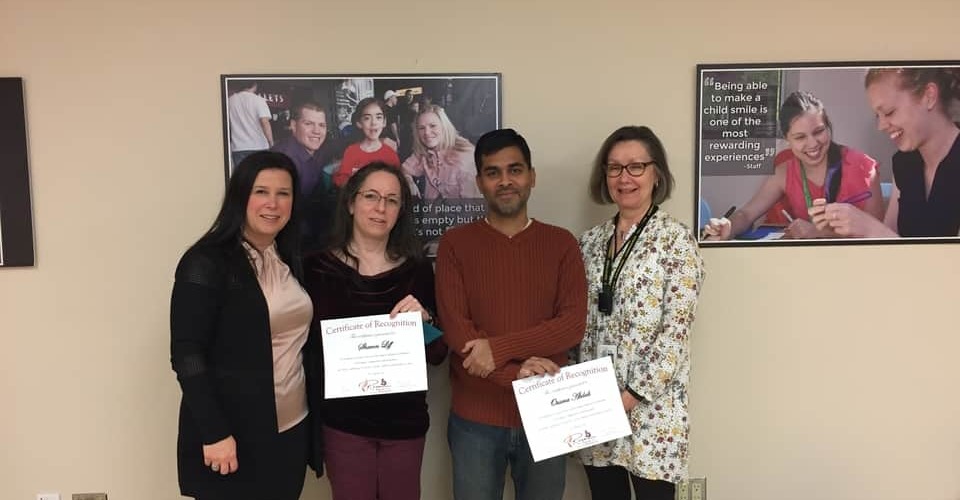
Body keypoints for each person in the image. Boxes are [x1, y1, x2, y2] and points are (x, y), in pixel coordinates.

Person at [435, 128, 588, 500]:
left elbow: (572, 325)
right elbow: (459, 335)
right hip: (476, 418)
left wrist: (498, 348)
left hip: (548, 413)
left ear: (531, 177)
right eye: (493, 172)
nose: (505, 181)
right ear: (480, 182)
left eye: (515, 170)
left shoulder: (561, 243)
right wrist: (516, 372)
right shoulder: (455, 245)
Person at [170, 151, 321, 500]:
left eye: (283, 193)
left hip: (291, 428)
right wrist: (214, 433)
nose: (273, 203)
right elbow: (187, 354)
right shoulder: (206, 261)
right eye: (261, 191)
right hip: (232, 434)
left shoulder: (289, 259)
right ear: (241, 196)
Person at [570, 125, 704, 500]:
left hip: (652, 416)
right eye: (614, 168)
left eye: (635, 167)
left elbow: (674, 334)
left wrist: (626, 399)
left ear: (656, 173)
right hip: (596, 409)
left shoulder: (676, 241)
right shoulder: (588, 243)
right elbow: (575, 322)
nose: (624, 178)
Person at [303, 162, 447, 500]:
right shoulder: (315, 269)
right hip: (343, 424)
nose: (380, 208)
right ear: (351, 203)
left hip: (404, 424)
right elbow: (302, 350)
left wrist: (425, 323)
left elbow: (439, 354)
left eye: (392, 200)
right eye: (371, 196)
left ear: (400, 210)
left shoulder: (418, 270)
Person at [702, 91, 883, 240]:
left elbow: (879, 235)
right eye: (800, 137)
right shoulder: (785, 171)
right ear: (787, 139)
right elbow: (747, 214)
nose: (812, 144)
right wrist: (728, 227)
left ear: (828, 128)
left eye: (818, 131)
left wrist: (820, 232)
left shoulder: (864, 168)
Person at [810, 67, 960, 238]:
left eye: (889, 112)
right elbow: (889, 240)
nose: (881, 126)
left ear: (929, 96)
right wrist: (838, 232)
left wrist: (869, 228)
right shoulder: (904, 163)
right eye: (878, 116)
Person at [401, 104, 482, 200]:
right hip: (431, 213)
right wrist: (409, 182)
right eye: (422, 128)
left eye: (432, 126)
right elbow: (404, 169)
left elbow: (472, 209)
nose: (426, 132)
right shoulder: (425, 152)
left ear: (444, 127)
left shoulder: (465, 157)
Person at [271, 101, 337, 197]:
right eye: (308, 124)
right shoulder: (282, 159)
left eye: (322, 125)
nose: (317, 131)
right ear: (293, 126)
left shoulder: (319, 151)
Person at [333, 97, 401, 187]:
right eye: (367, 118)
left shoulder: (390, 154)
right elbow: (341, 180)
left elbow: (398, 182)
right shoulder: (351, 151)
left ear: (384, 122)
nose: (373, 122)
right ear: (359, 123)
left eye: (378, 117)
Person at [227, 80, 273, 168]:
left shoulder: (230, 100)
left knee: (243, 178)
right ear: (255, 85)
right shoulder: (258, 100)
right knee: (260, 177)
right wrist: (271, 142)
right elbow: (265, 122)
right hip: (259, 146)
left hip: (238, 147)